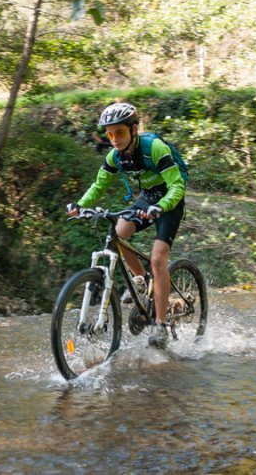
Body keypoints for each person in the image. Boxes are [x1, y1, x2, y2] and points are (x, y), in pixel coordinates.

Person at [66, 102, 186, 349]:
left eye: (119, 133)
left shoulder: (154, 148)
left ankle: (160, 324)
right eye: (109, 135)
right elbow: (99, 186)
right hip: (147, 199)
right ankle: (141, 281)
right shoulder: (115, 156)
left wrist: (162, 206)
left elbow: (177, 185)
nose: (114, 140)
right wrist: (80, 204)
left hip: (169, 202)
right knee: (117, 237)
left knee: (158, 259)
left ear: (133, 129)